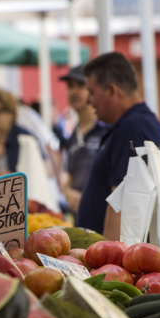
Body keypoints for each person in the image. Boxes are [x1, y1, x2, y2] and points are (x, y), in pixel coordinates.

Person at [76, 52, 160, 239]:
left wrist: (108, 263)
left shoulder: (133, 128)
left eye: (92, 92)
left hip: (113, 260)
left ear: (112, 90)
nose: (89, 100)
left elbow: (124, 203)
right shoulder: (136, 124)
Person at [0, 89, 58, 210]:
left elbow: (45, 171)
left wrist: (11, 176)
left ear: (11, 113)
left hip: (23, 207)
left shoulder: (24, 138)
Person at [58, 65, 111, 216]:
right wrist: (68, 194)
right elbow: (68, 177)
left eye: (81, 85)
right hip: (80, 219)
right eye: (70, 86)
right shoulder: (73, 135)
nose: (74, 91)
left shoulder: (108, 130)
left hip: (106, 219)